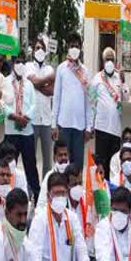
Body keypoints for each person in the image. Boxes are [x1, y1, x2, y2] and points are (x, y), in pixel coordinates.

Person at [29, 172, 98, 261]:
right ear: (48, 196)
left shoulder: (71, 218)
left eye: (63, 193)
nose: (60, 198)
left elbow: (82, 253)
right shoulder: (39, 220)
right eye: (56, 194)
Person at [52, 32, 92, 168]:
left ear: (80, 48)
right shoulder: (61, 69)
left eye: (77, 46)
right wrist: (53, 125)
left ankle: (76, 189)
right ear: (68, 47)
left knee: (77, 166)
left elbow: (88, 101)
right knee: (63, 164)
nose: (74, 48)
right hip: (64, 125)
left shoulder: (85, 71)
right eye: (72, 46)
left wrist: (89, 127)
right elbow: (56, 98)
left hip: (80, 127)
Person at [5, 53, 40, 202]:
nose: (20, 64)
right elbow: (2, 104)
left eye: (22, 62)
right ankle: (6, 194)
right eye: (17, 62)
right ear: (12, 64)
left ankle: (37, 196)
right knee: (9, 165)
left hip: (27, 132)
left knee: (30, 165)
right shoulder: (5, 82)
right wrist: (14, 117)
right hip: (11, 131)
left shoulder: (29, 85)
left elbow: (34, 104)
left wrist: (25, 118)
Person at [91, 47, 129, 177]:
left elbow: (126, 98)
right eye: (107, 59)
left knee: (113, 165)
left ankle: (112, 194)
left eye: (112, 59)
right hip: (101, 127)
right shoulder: (97, 78)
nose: (109, 62)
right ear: (103, 61)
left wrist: (123, 82)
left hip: (116, 129)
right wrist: (90, 125)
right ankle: (101, 195)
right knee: (101, 164)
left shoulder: (120, 77)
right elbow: (92, 103)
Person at [26, 37, 56, 176]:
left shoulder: (49, 68)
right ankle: (32, 191)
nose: (39, 51)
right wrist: (46, 81)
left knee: (47, 161)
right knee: (30, 158)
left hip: (46, 120)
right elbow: (34, 82)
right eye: (37, 48)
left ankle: (46, 188)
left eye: (42, 48)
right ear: (33, 51)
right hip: (32, 120)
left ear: (45, 51)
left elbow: (52, 91)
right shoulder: (27, 67)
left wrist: (37, 84)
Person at [35, 140, 71, 210]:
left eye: (65, 155)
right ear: (54, 158)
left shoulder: (73, 174)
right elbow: (41, 204)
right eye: (60, 155)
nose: (63, 158)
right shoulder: (49, 176)